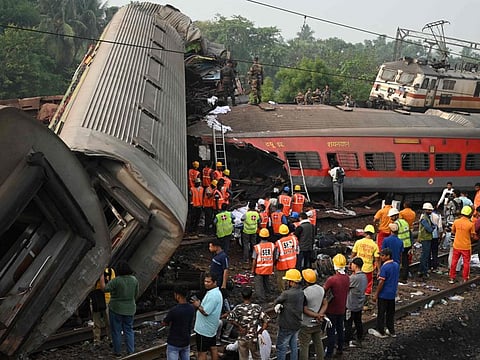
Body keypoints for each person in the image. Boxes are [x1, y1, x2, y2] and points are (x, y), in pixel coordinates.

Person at [101, 261, 139, 357]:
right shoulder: (134, 280)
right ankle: (131, 351)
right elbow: (136, 294)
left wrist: (101, 277)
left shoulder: (116, 280)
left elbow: (104, 289)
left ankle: (117, 352)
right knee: (129, 330)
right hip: (130, 308)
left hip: (115, 308)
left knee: (116, 331)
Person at [227, 287, 270, 360]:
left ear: (242, 296)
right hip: (253, 338)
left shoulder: (238, 308)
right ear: (251, 296)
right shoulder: (257, 307)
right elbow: (266, 321)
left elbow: (229, 319)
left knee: (243, 357)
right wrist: (260, 331)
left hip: (242, 337)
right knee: (256, 357)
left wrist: (238, 326)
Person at [323, 254, 349, 359]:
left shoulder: (332, 279)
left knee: (331, 333)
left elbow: (323, 291)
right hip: (341, 309)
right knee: (340, 329)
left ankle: (329, 354)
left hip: (331, 310)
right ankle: (340, 350)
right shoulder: (347, 278)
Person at [191, 273, 223, 360]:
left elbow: (206, 312)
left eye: (208, 282)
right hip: (211, 327)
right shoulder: (216, 293)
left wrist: (198, 305)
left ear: (215, 282)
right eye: (205, 281)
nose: (206, 283)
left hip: (204, 329)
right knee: (213, 347)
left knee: (202, 352)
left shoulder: (213, 295)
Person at [369, 248, 400, 338]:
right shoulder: (396, 265)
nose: (381, 257)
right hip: (392, 293)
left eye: (382, 255)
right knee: (390, 313)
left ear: (388, 256)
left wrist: (376, 294)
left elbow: (381, 282)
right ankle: (391, 330)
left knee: (381, 313)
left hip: (384, 294)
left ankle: (381, 331)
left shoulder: (385, 267)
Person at [274, 269, 304, 360]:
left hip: (286, 324)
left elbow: (277, 301)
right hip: (296, 324)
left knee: (281, 347)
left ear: (291, 282)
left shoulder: (286, 293)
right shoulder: (301, 292)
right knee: (293, 346)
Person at [299, 268, 328, 360]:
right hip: (318, 322)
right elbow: (325, 303)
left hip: (306, 323)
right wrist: (320, 314)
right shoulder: (321, 289)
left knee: (304, 345)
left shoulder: (304, 293)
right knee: (318, 342)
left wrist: (317, 315)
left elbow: (305, 310)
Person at [162, 285, 195, 360]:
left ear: (178, 295)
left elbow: (165, 323)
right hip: (186, 341)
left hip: (174, 342)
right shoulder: (191, 308)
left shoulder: (174, 310)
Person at [351, 224, 380, 298]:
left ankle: (356, 297)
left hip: (357, 267)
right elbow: (377, 259)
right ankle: (365, 301)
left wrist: (350, 263)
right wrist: (378, 270)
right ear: (373, 234)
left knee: (355, 283)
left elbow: (353, 254)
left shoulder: (358, 242)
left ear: (365, 233)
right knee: (368, 285)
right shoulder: (374, 245)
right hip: (368, 268)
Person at [449, 206, 476, 284]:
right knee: (466, 263)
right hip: (466, 246)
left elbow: (453, 231)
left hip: (456, 245)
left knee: (454, 262)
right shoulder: (471, 224)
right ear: (470, 214)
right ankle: (465, 278)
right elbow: (473, 236)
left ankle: (452, 277)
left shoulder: (456, 222)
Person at [345, 257, 367, 348]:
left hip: (351, 304)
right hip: (359, 303)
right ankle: (359, 338)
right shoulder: (364, 276)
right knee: (358, 322)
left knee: (348, 323)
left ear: (356, 265)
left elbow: (345, 286)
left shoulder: (354, 278)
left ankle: (347, 341)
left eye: (352, 264)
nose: (351, 266)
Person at [91, 267, 115, 346]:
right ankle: (97, 341)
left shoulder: (110, 271)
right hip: (97, 299)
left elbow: (111, 285)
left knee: (106, 321)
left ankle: (110, 339)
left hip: (104, 299)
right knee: (98, 322)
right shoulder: (94, 271)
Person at [389, 208, 412, 282]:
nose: (391, 218)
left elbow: (394, 233)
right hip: (407, 244)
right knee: (405, 261)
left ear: (395, 216)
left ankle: (397, 276)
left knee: (397, 260)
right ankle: (404, 277)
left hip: (400, 244)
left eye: (392, 216)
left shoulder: (396, 224)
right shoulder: (404, 221)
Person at [251, 229, 275, 303]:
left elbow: (254, 260)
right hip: (268, 268)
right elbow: (274, 256)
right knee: (266, 281)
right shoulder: (272, 245)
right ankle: (268, 294)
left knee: (259, 284)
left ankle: (261, 299)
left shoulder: (257, 247)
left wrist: (252, 269)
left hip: (260, 269)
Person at [274, 224, 299, 292]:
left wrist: (274, 263)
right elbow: (297, 250)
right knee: (292, 278)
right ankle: (292, 290)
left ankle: (283, 292)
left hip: (282, 264)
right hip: (292, 263)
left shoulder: (278, 243)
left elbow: (276, 256)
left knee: (281, 279)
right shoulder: (294, 239)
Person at [417, 202, 435, 278]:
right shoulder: (424, 219)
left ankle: (421, 270)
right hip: (425, 238)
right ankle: (423, 271)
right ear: (425, 210)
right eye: (429, 210)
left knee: (425, 255)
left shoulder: (427, 217)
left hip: (427, 238)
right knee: (425, 255)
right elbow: (430, 229)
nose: (431, 212)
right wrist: (433, 227)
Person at [429, 208, 443, 273]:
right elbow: (440, 227)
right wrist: (440, 236)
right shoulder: (438, 216)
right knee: (434, 252)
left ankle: (428, 266)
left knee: (428, 251)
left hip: (428, 236)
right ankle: (435, 266)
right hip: (435, 236)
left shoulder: (425, 215)